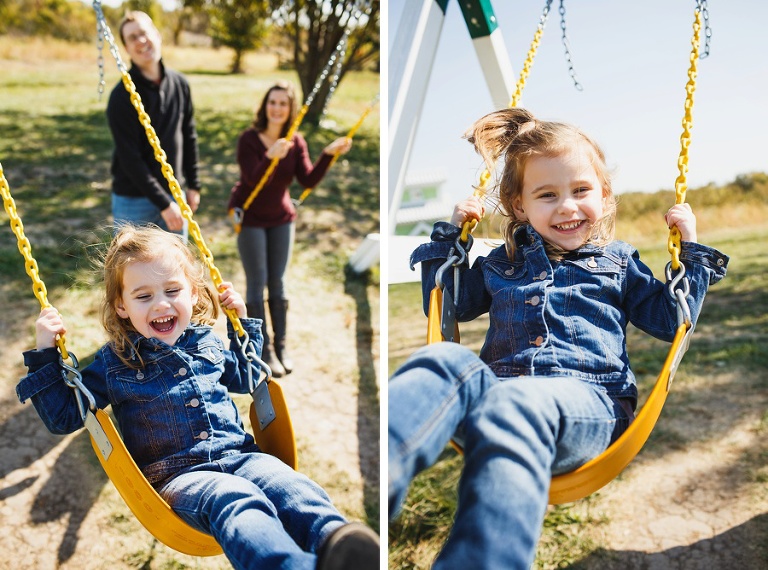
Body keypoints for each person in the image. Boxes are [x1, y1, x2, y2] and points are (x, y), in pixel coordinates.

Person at [388, 108, 729, 569]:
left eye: (581, 190)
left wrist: (689, 250)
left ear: (604, 196)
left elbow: (673, 320)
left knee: (516, 404)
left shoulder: (617, 263)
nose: (567, 206)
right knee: (443, 364)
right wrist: (452, 238)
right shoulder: (500, 264)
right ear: (519, 207)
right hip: (495, 397)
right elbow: (447, 306)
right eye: (547, 195)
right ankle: (384, 479)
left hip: (589, 406)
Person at [16, 225, 379, 570]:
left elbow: (248, 377)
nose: (161, 305)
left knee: (291, 487)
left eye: (172, 291)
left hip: (242, 456)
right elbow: (64, 416)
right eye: (144, 296)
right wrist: (46, 354)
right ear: (121, 306)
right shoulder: (115, 361)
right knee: (236, 501)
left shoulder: (207, 342)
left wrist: (243, 326)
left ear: (192, 292)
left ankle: (339, 546)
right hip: (180, 479)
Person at [227, 81, 352, 377]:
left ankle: (281, 346)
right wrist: (270, 156)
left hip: (282, 217)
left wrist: (328, 154)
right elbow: (250, 182)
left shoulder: (296, 141)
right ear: (265, 105)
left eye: (283, 103)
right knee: (257, 282)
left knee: (278, 282)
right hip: (251, 217)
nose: (277, 108)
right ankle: (263, 348)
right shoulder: (249, 139)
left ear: (291, 109)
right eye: (273, 102)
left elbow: (307, 180)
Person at [107, 10, 201, 236]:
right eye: (132, 38)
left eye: (144, 33)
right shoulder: (121, 96)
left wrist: (194, 185)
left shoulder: (180, 84)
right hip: (134, 200)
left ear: (157, 35)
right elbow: (130, 158)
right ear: (127, 50)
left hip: (174, 193)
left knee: (175, 269)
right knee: (132, 270)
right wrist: (163, 204)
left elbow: (188, 135)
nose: (141, 40)